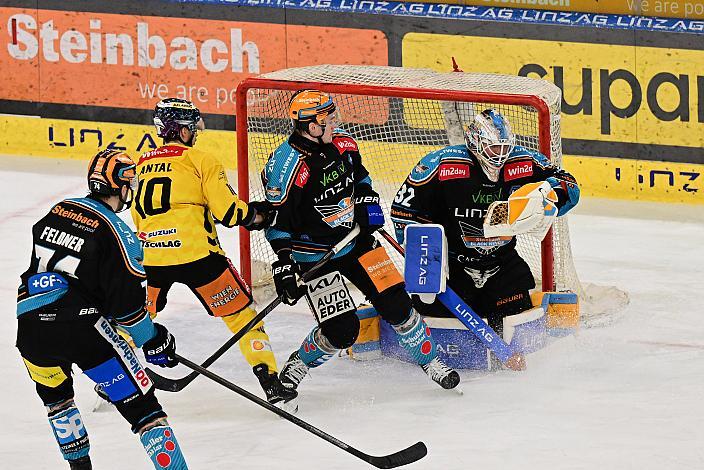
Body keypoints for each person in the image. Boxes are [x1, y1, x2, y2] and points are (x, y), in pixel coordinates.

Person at [262, 89, 460, 392]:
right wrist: (285, 266)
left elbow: (362, 180)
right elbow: (277, 223)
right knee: (342, 333)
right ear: (312, 126)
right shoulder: (287, 167)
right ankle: (300, 363)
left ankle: (431, 361)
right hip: (314, 256)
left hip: (356, 241)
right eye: (328, 118)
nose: (335, 122)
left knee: (397, 305)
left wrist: (368, 203)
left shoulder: (344, 144)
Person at [16, 149, 187, 470]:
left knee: (58, 401)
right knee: (145, 411)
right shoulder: (121, 235)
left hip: (30, 327)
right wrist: (154, 340)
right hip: (84, 333)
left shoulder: (57, 211)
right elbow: (130, 314)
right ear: (121, 186)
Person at [130, 98, 296, 407]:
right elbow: (228, 211)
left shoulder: (140, 165)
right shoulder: (201, 159)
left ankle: (112, 379)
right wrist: (258, 215)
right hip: (198, 257)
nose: (195, 135)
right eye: (192, 129)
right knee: (242, 318)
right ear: (181, 130)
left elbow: (139, 217)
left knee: (136, 317)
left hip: (153, 258)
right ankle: (271, 382)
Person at [390, 109, 580, 359]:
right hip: (452, 267)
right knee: (433, 320)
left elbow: (570, 186)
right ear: (475, 143)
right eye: (493, 149)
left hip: (502, 265)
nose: (500, 156)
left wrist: (547, 192)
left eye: (504, 148)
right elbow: (402, 211)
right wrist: (425, 259)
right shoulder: (442, 165)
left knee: (517, 327)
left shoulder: (522, 162)